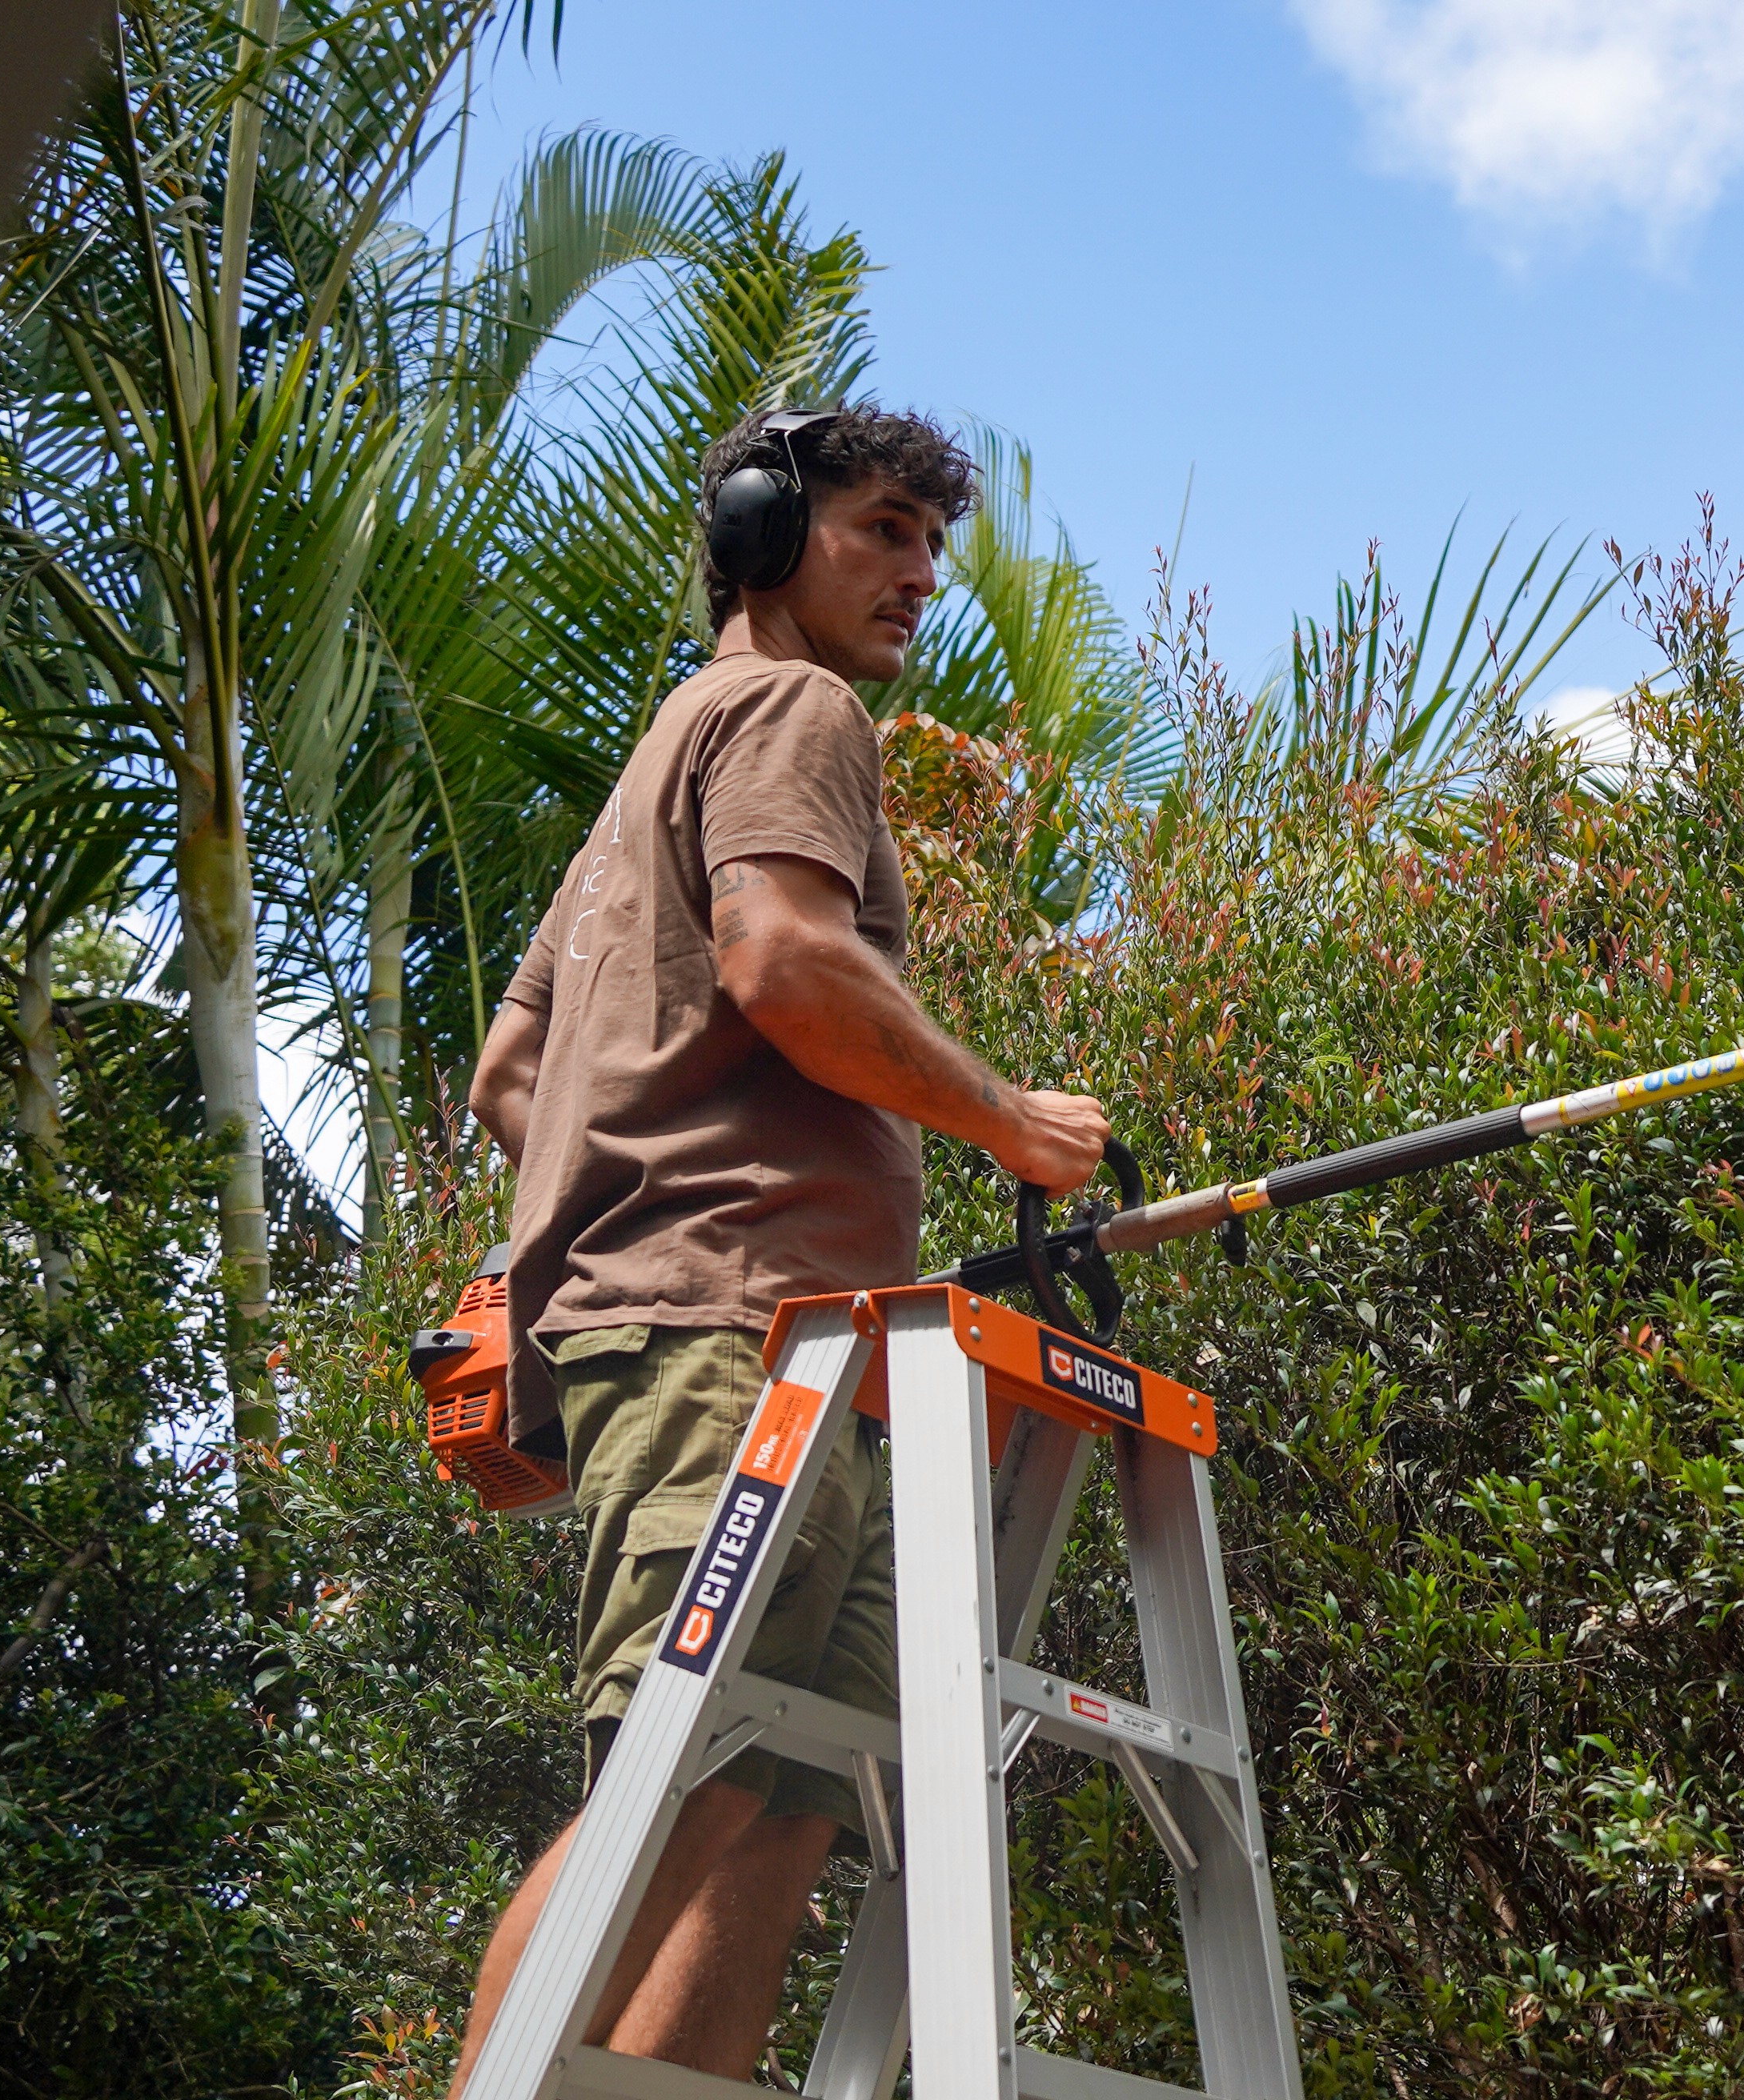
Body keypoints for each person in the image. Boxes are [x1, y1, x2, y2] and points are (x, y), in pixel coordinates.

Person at [451, 405, 1113, 2088]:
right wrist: (1009, 1122)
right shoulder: (791, 706)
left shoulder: (658, 763)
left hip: (791, 1344)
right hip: (729, 1339)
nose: (922, 573)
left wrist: (622, 1204)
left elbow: (513, 1075)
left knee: (775, 1805)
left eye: (933, 542)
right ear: (763, 534)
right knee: (678, 1785)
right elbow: (786, 962)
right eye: (884, 527)